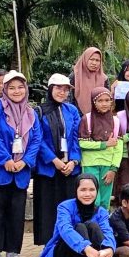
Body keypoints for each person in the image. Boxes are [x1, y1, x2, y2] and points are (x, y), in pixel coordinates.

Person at [0, 70, 42, 257]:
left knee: (16, 212)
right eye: (11, 87)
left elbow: (36, 139)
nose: (16, 91)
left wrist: (25, 161)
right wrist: (5, 160)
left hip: (20, 171)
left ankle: (13, 249)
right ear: (3, 89)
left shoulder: (30, 112)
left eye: (20, 87)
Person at [33, 174, 128, 257]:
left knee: (92, 225)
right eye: (83, 190)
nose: (87, 194)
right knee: (79, 227)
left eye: (92, 190)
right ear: (76, 191)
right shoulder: (64, 207)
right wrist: (86, 248)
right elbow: (65, 230)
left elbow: (108, 231)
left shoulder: (101, 211)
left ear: (97, 191)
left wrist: (109, 248)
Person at [33, 74, 83, 246]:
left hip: (70, 168)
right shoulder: (39, 111)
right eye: (58, 88)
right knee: (48, 207)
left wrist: (74, 161)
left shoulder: (72, 110)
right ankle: (49, 243)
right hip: (48, 169)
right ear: (50, 89)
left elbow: (77, 137)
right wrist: (54, 160)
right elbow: (37, 140)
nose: (62, 92)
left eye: (65, 89)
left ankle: (68, 242)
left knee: (69, 207)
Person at [78, 88, 122, 208]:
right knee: (92, 198)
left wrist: (113, 169)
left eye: (107, 100)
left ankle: (103, 225)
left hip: (108, 165)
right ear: (93, 102)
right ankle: (90, 224)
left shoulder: (116, 121)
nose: (104, 104)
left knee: (105, 200)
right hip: (90, 164)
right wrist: (104, 144)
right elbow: (82, 143)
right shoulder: (87, 119)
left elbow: (119, 148)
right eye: (100, 100)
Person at [70, 47, 109, 115]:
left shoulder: (104, 78)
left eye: (97, 60)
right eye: (91, 59)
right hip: (77, 116)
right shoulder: (75, 76)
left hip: (99, 116)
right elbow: (69, 99)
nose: (94, 63)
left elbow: (107, 99)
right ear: (85, 59)